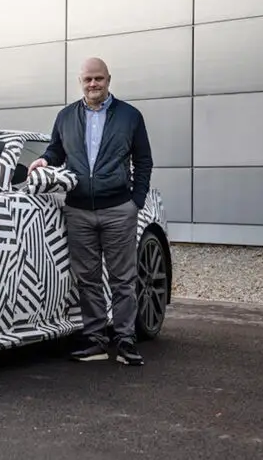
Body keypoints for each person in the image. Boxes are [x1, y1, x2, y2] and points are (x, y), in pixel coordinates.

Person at [29, 57, 153, 366]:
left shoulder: (130, 116)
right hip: (79, 210)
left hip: (118, 209)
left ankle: (125, 341)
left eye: (98, 78)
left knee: (123, 279)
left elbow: (143, 160)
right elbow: (56, 151)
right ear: (80, 82)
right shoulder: (65, 116)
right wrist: (45, 160)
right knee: (88, 279)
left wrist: (135, 201)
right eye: (88, 79)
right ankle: (96, 341)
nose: (93, 84)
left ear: (109, 79)